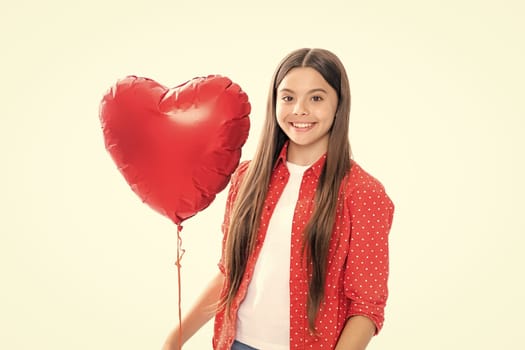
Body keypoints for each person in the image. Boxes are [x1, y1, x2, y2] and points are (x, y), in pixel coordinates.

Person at [162, 48, 395, 350]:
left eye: (316, 98)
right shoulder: (247, 178)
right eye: (287, 98)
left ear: (339, 105)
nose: (299, 109)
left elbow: (366, 308)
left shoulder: (363, 193)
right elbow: (230, 272)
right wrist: (173, 339)